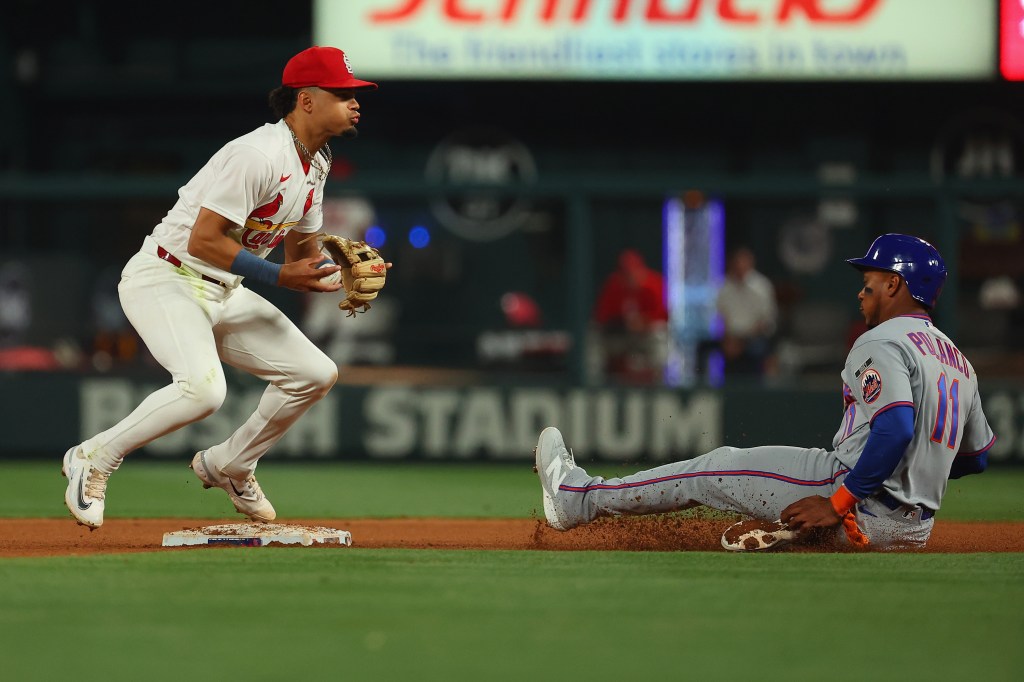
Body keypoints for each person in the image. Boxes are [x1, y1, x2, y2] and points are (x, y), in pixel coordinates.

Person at [61, 46, 385, 529]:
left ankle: (230, 464)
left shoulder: (316, 164)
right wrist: (278, 276)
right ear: (308, 100)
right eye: (344, 94)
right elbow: (204, 239)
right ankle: (93, 457)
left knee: (315, 373)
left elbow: (301, 257)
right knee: (202, 392)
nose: (356, 102)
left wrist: (340, 273)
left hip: (223, 290)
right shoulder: (258, 154)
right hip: (167, 276)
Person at [536, 234, 995, 550]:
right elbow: (975, 458)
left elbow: (894, 427)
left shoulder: (882, 340)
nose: (862, 290)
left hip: (853, 496)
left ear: (895, 283)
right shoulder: (959, 362)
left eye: (870, 279)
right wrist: (918, 475)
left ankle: (578, 498)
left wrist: (839, 501)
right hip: (913, 530)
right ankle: (794, 535)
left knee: (712, 467)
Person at [592, 249, 669, 384]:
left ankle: (661, 381)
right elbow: (601, 317)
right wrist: (622, 323)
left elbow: (663, 316)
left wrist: (643, 321)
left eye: (634, 272)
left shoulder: (655, 283)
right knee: (593, 340)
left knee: (661, 335)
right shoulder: (614, 285)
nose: (631, 277)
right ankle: (598, 384)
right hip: (621, 335)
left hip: (647, 335)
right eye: (626, 274)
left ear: (641, 270)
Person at [714, 246, 778, 376]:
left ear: (751, 264)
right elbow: (721, 317)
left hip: (754, 336)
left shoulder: (762, 286)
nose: (740, 267)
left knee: (756, 348)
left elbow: (765, 321)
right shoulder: (723, 287)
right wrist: (728, 338)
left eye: (743, 263)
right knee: (709, 348)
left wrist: (742, 342)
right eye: (737, 263)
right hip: (731, 337)